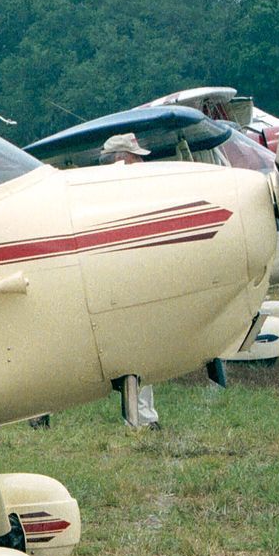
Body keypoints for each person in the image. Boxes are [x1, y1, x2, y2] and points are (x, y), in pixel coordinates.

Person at [99, 133, 159, 427]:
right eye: (135, 158)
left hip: (121, 279)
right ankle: (142, 418)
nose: (140, 163)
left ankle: (142, 415)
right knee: (139, 346)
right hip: (122, 280)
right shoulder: (117, 189)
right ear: (122, 160)